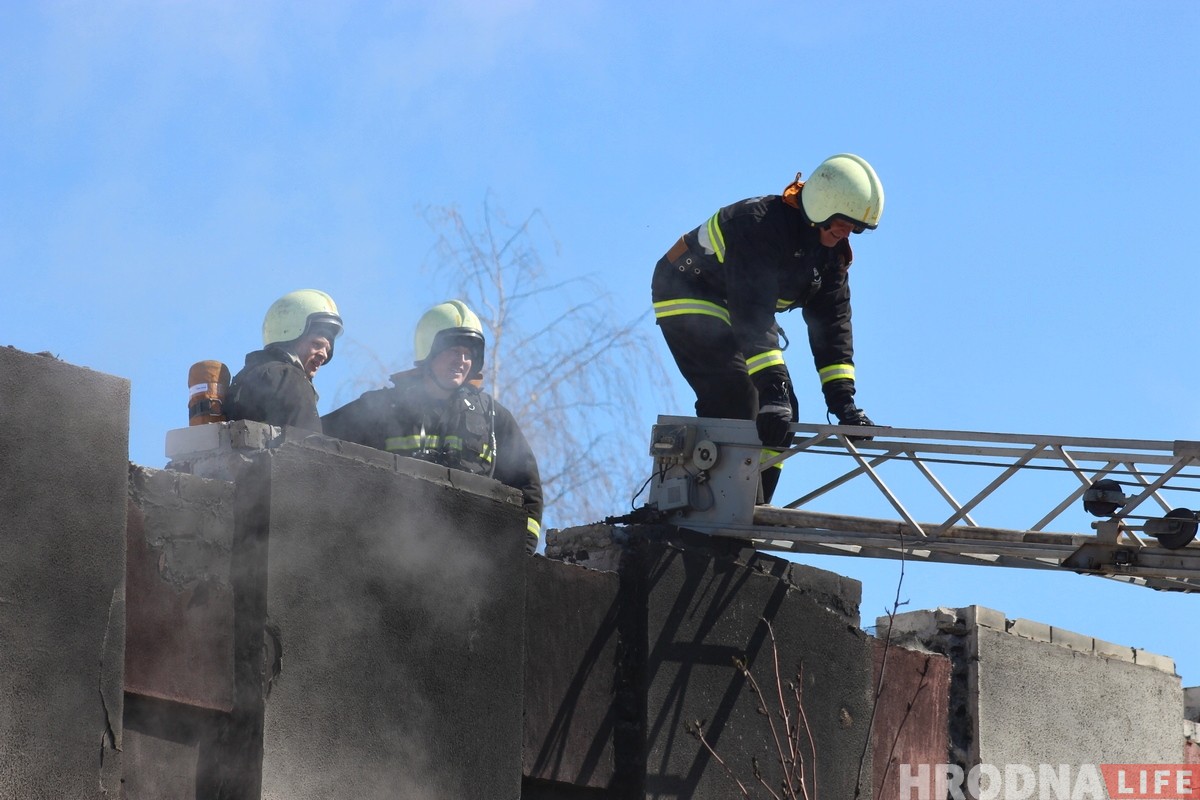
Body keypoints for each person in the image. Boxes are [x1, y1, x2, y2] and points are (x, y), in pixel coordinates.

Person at [651, 153, 884, 502]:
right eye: (842, 221)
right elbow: (753, 311)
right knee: (740, 398)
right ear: (821, 204)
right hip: (689, 291)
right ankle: (712, 507)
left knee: (785, 412)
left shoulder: (831, 258)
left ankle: (752, 507)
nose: (846, 232)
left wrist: (844, 404)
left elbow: (833, 329)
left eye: (855, 228)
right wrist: (771, 391)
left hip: (739, 308)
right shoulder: (760, 225)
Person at [322, 300, 544, 554]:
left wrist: (522, 551)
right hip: (389, 553)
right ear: (428, 350)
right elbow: (314, 438)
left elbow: (528, 486)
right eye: (453, 350)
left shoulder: (494, 418)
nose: (461, 360)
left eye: (469, 354)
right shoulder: (383, 408)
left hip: (471, 563)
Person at [224, 288, 343, 433]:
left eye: (327, 349)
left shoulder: (255, 374)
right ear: (290, 336)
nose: (324, 355)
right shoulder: (288, 378)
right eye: (316, 344)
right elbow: (308, 447)